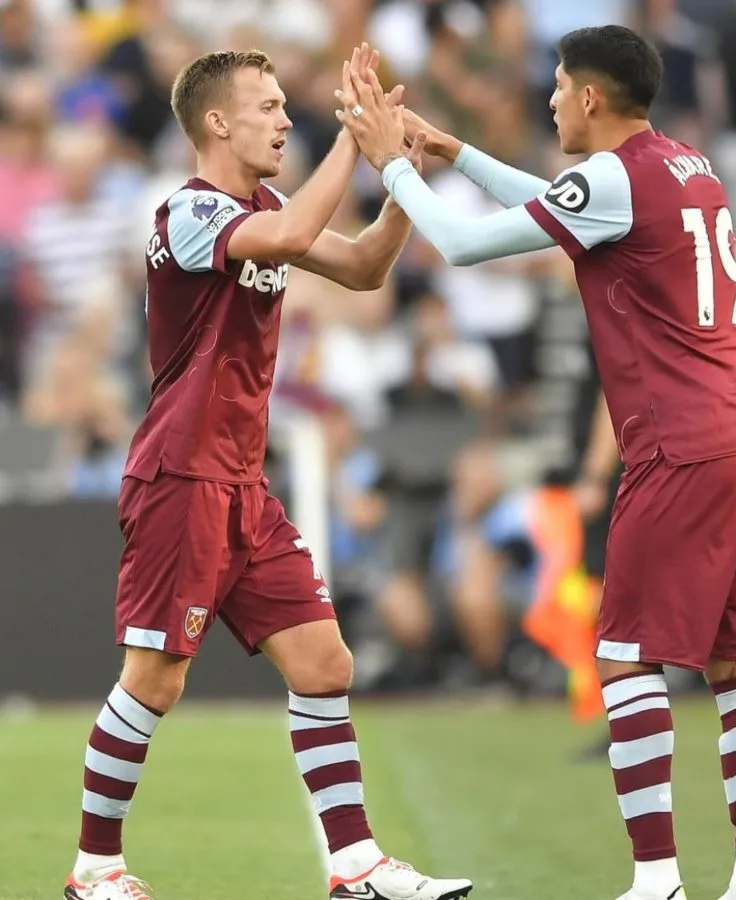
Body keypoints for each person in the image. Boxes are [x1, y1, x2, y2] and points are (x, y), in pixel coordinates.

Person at [338, 24, 736, 900]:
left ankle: (656, 879)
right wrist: (454, 149)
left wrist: (391, 166)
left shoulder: (613, 179)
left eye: (555, 86)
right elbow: (564, 203)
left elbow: (470, 246)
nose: (547, 100)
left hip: (679, 445)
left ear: (589, 96)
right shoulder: (686, 164)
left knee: (623, 658)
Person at [63, 44, 473, 900]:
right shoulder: (186, 214)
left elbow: (361, 269)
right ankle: (94, 867)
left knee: (325, 665)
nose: (288, 119)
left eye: (291, 107)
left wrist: (400, 176)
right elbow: (288, 238)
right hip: (179, 476)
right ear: (218, 121)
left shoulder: (264, 206)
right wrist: (356, 143)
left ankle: (356, 865)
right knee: (156, 679)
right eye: (272, 106)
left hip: (244, 482)